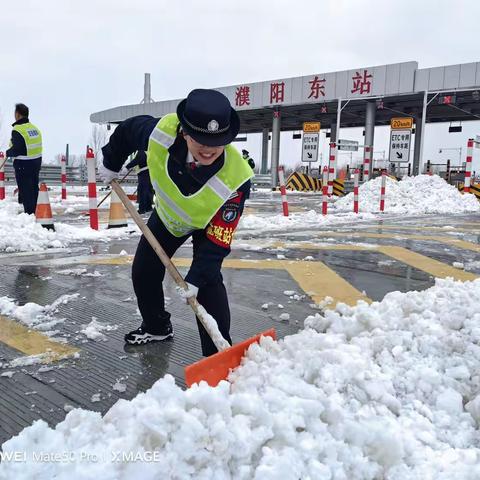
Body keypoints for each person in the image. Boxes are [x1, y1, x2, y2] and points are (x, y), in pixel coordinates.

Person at [98, 89, 254, 357]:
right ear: (184, 132)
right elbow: (127, 131)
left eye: (216, 142)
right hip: (169, 218)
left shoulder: (237, 179)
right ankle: (157, 326)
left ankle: (217, 353)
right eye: (200, 140)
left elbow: (217, 243)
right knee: (144, 272)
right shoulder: (160, 132)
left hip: (208, 226)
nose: (208, 149)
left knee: (207, 283)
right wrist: (111, 163)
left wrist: (196, 278)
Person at [6, 104, 42, 214]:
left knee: (26, 189)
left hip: (23, 164)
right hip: (36, 162)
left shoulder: (17, 130)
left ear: (17, 114)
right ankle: (35, 210)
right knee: (33, 188)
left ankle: (29, 214)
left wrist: (8, 152)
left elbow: (17, 149)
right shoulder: (34, 128)